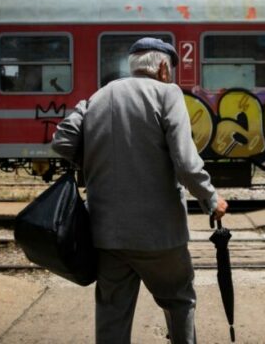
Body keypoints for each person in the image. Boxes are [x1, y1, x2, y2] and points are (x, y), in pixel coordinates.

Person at [51, 37, 228, 344]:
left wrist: (93, 160)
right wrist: (211, 198)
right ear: (162, 68)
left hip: (107, 235)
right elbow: (186, 163)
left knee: (112, 314)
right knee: (179, 301)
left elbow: (61, 141)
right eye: (170, 69)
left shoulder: (99, 96)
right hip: (160, 236)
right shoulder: (167, 94)